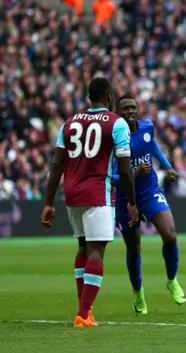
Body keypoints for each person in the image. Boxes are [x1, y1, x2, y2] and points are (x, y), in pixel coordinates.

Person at [41, 77, 138, 327]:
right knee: (96, 250)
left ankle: (86, 310)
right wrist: (132, 202)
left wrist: (48, 202)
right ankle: (84, 314)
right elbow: (125, 170)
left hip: (72, 194)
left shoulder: (69, 122)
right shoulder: (116, 123)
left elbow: (56, 164)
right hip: (98, 193)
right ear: (109, 97)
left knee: (83, 247)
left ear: (88, 97)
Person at [112, 95, 185, 314]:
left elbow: (152, 144)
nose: (131, 111)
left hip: (149, 191)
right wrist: (133, 172)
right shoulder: (113, 138)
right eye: (125, 108)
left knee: (170, 234)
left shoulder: (146, 127)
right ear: (117, 111)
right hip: (125, 198)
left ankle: (172, 280)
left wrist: (167, 165)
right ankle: (138, 293)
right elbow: (111, 177)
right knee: (134, 248)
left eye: (133, 107)